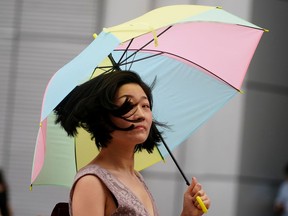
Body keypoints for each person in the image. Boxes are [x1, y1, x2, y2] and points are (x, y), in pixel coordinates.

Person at [54, 70, 211, 216]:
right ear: (102, 116)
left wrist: (187, 214)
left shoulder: (136, 177)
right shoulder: (91, 182)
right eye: (128, 105)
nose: (141, 115)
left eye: (145, 106)